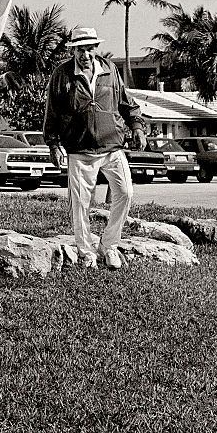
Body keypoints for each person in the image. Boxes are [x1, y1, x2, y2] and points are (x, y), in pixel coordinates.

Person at [43, 26, 147, 269]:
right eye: (80, 49)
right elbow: (52, 112)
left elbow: (126, 103)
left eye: (90, 48)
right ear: (74, 50)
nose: (85, 54)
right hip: (79, 149)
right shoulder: (62, 74)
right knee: (80, 204)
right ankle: (86, 251)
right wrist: (53, 144)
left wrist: (138, 128)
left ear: (96, 48)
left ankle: (109, 245)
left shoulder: (110, 70)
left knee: (125, 193)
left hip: (112, 146)